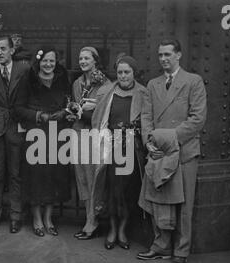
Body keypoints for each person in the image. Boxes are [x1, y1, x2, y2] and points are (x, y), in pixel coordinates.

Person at [137, 39, 207, 263]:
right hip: (158, 151)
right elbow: (146, 117)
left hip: (184, 151)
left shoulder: (193, 81)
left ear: (179, 55)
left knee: (184, 204)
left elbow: (197, 119)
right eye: (160, 55)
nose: (163, 59)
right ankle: (161, 247)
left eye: (168, 54)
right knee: (159, 200)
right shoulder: (152, 84)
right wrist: (149, 142)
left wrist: (165, 139)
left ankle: (181, 250)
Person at [91, 56, 146, 250]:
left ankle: (123, 230)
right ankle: (112, 230)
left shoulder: (143, 93)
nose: (123, 76)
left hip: (132, 150)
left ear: (134, 73)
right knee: (113, 192)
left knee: (128, 192)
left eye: (127, 72)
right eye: (120, 72)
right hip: (112, 149)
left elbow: (148, 120)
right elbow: (99, 118)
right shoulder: (108, 92)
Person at [16, 46, 71, 237]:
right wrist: (39, 115)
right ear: (39, 62)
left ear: (56, 63)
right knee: (36, 177)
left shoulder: (63, 79)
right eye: (45, 61)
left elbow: (70, 103)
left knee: (54, 177)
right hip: (36, 134)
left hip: (58, 133)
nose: (48, 64)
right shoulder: (28, 79)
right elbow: (19, 108)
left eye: (52, 61)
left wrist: (64, 112)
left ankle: (49, 218)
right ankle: (37, 219)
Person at [0, 35, 30, 233]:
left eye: (3, 49)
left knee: (16, 173)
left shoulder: (24, 69)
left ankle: (16, 216)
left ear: (12, 50)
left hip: (17, 125)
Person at [71, 47, 109, 240]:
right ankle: (89, 217)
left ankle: (92, 221)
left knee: (93, 177)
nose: (83, 61)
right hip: (78, 132)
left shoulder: (104, 83)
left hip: (94, 134)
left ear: (95, 60)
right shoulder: (77, 82)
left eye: (86, 58)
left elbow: (105, 111)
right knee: (82, 177)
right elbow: (77, 107)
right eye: (80, 58)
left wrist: (89, 109)